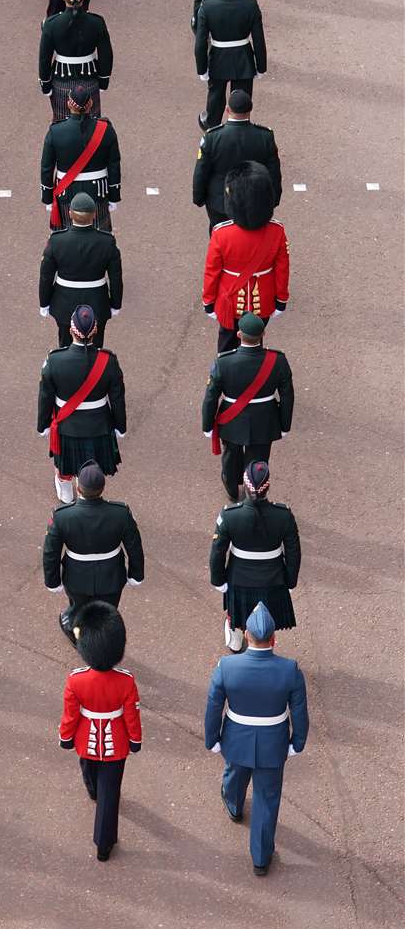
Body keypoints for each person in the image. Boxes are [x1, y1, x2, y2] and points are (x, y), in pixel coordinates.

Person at [204, 602, 308, 875]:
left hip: (236, 738)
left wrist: (212, 738)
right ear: (274, 639)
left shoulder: (227, 666)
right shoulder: (290, 670)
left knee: (235, 774)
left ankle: (234, 806)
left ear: (247, 636)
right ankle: (261, 858)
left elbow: (214, 706)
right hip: (273, 741)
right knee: (267, 798)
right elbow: (299, 711)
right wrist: (297, 743)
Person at [58, 601, 141, 861]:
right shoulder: (126, 681)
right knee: (111, 791)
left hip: (86, 737)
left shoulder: (76, 679)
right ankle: (104, 843)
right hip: (116, 742)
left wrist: (66, 737)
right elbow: (131, 715)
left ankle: (92, 789)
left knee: (88, 767)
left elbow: (71, 715)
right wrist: (135, 740)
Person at [43, 462, 144, 643]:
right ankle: (100, 641)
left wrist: (53, 581)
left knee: (78, 608)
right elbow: (134, 545)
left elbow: (51, 553)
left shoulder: (62, 516)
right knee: (107, 614)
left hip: (76, 576)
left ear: (78, 488)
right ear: (102, 488)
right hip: (112, 576)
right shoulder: (120, 513)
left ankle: (78, 633)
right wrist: (135, 575)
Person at [38, 303, 126, 503]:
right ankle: (87, 494)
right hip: (99, 425)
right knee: (94, 466)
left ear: (71, 330)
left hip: (67, 424)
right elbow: (117, 398)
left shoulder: (54, 360)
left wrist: (42, 425)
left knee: (64, 465)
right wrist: (120, 427)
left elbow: (45, 397)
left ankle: (66, 489)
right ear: (95, 330)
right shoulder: (108, 360)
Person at [203, 312, 293, 501]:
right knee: (258, 460)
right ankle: (255, 491)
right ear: (263, 335)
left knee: (230, 458)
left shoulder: (224, 362)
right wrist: (285, 425)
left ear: (238, 335)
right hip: (265, 419)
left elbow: (211, 397)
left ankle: (232, 490)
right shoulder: (278, 361)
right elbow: (287, 395)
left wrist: (207, 426)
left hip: (232, 418)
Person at [210, 461, 301, 648]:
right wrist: (290, 581)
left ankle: (235, 640)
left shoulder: (229, 515)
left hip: (238, 578)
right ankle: (264, 646)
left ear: (245, 483)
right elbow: (293, 552)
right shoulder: (283, 515)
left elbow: (218, 551)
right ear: (268, 487)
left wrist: (218, 580)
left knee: (235, 615)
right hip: (273, 579)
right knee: (267, 619)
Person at [202, 162, 289, 352]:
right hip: (263, 300)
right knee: (255, 344)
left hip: (230, 303)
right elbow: (282, 269)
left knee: (225, 347)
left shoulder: (221, 233)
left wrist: (208, 301)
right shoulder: (277, 231)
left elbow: (212, 271)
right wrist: (281, 299)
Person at [39, 190, 122, 348]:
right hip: (98, 302)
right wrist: (115, 304)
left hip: (64, 303)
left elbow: (46, 276)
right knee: (96, 349)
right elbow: (116, 277)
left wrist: (44, 303)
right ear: (94, 214)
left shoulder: (57, 241)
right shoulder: (107, 242)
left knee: (65, 347)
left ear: (70, 213)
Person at [193, 88, 281, 231]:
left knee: (220, 240)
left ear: (227, 110)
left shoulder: (212, 137)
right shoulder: (265, 136)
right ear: (249, 110)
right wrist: (273, 199)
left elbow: (201, 171)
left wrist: (198, 197)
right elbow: (274, 173)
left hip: (220, 201)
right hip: (255, 199)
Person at [195, 0, 266, 129]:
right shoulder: (250, 5)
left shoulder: (208, 6)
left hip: (218, 56)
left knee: (216, 96)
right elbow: (258, 39)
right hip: (244, 58)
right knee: (241, 98)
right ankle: (239, 127)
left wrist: (202, 69)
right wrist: (260, 67)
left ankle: (212, 125)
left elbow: (200, 42)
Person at [41, 84, 120, 231]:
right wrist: (114, 196)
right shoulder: (106, 130)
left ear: (68, 104)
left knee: (65, 241)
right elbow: (114, 165)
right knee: (100, 240)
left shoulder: (55, 131)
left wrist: (47, 198)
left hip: (66, 191)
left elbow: (47, 167)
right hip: (98, 192)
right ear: (91, 103)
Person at [37, 0, 112, 120]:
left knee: (60, 126)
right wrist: (103, 81)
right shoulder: (97, 22)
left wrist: (45, 84)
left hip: (62, 78)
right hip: (90, 77)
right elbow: (106, 54)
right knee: (93, 124)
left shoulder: (52, 24)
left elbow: (44, 58)